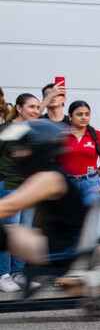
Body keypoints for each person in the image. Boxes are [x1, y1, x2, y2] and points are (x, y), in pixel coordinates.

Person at [0, 120, 91, 286]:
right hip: (60, 247)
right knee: (9, 230)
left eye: (22, 148)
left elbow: (8, 206)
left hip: (60, 253)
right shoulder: (51, 174)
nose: (16, 154)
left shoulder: (49, 178)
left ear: (39, 149)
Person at [0, 94, 42, 292]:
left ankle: (19, 273)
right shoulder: (9, 130)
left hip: (30, 187)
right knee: (10, 231)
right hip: (10, 186)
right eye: (32, 107)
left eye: (37, 107)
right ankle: (3, 274)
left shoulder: (32, 130)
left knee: (24, 230)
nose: (36, 111)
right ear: (19, 108)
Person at [60, 100, 100, 208]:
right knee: (69, 218)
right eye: (79, 114)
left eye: (87, 114)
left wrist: (92, 176)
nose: (84, 117)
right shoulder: (61, 135)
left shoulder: (97, 136)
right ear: (70, 116)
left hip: (90, 184)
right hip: (67, 184)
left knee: (90, 219)